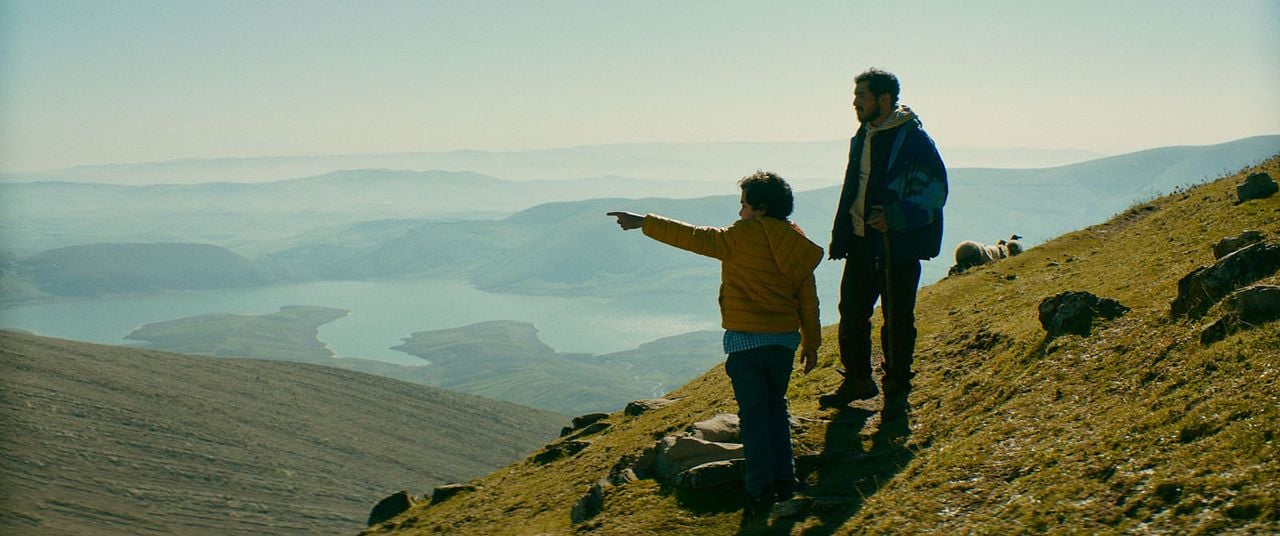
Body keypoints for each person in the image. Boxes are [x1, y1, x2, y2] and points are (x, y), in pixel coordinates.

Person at [607, 171, 822, 519]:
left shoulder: (738, 239)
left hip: (744, 343)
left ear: (761, 208)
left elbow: (690, 236)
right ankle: (787, 484)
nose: (739, 213)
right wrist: (811, 343)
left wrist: (644, 222)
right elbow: (808, 300)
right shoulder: (797, 244)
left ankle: (758, 493)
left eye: (744, 205)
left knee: (753, 418)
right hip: (783, 342)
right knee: (776, 412)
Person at [821, 68, 948, 407]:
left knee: (897, 316)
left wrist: (894, 216)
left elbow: (935, 191)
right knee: (851, 312)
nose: (854, 102)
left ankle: (897, 383)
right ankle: (859, 380)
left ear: (883, 98)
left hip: (898, 246)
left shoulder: (914, 140)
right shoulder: (864, 135)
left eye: (861, 95)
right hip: (862, 241)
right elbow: (855, 186)